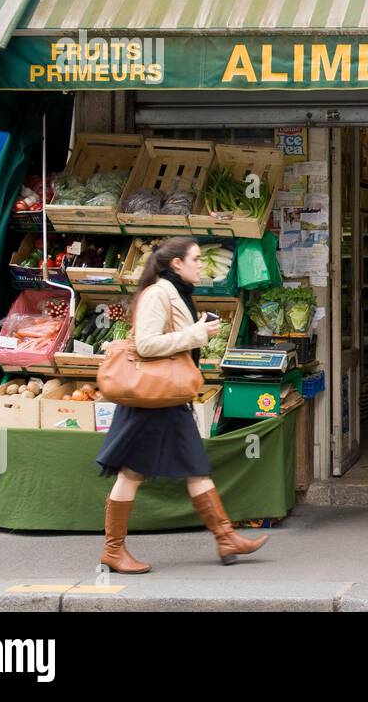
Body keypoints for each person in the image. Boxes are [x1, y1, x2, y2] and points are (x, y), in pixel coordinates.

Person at [96, 237, 268, 573]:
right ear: (177, 263)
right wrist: (196, 335)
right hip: (150, 398)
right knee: (131, 473)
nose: (201, 264)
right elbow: (145, 344)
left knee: (195, 465)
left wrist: (198, 329)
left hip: (169, 397)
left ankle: (226, 537)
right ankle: (113, 550)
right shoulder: (158, 293)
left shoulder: (176, 292)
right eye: (196, 259)